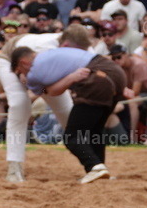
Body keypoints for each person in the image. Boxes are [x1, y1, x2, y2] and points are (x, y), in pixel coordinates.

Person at [13, 43, 128, 183]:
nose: (22, 76)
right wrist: (72, 77)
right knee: (94, 132)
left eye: (20, 72)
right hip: (116, 73)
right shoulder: (50, 55)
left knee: (71, 137)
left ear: (23, 63)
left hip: (97, 79)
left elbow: (52, 92)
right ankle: (99, 170)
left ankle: (95, 167)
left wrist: (71, 78)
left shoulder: (34, 72)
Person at [0, 25, 91, 182]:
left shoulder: (81, 46)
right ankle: (14, 167)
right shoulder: (42, 49)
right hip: (10, 61)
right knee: (20, 104)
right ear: (66, 46)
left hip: (46, 74)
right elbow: (25, 76)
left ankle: (93, 164)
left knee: (68, 113)